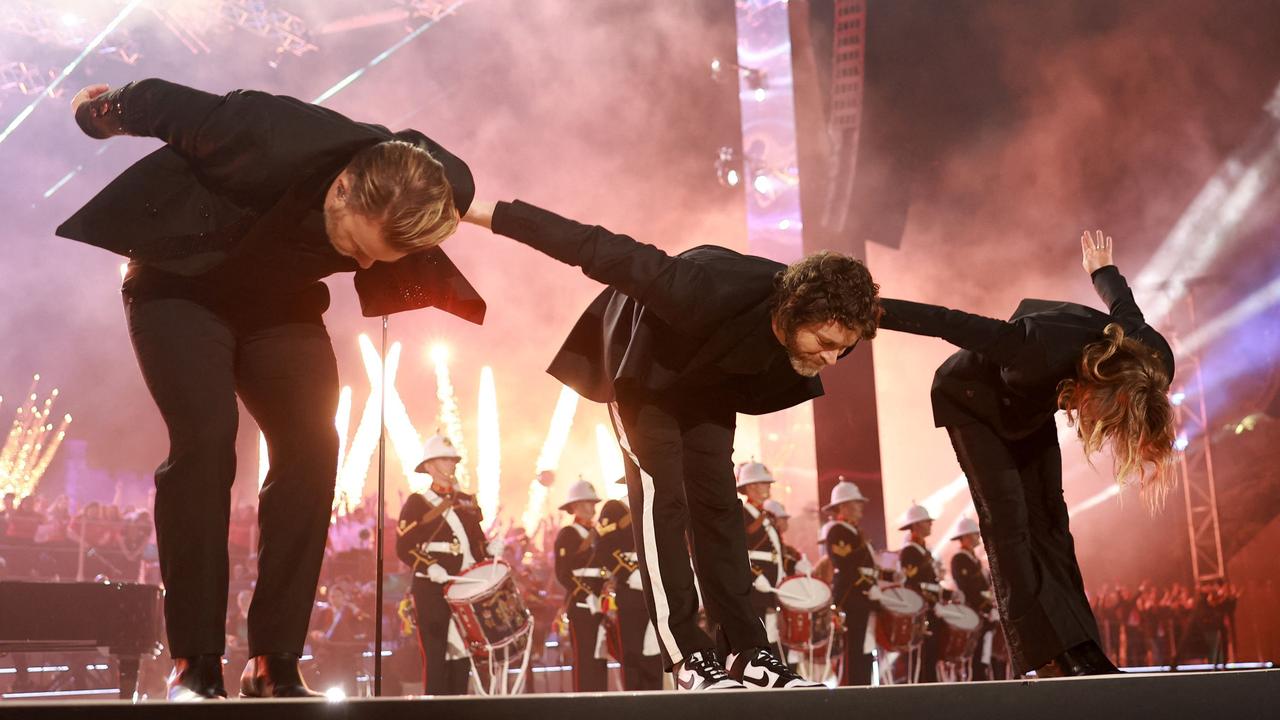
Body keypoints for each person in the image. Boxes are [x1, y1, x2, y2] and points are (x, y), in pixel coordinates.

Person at [59, 78, 483, 701]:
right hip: (180, 282)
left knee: (314, 448)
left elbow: (459, 184)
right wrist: (94, 114)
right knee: (206, 443)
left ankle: (274, 662)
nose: (361, 268)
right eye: (356, 248)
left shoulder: (431, 181)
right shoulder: (262, 132)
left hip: (279, 305)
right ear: (341, 188)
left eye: (375, 261)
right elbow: (152, 99)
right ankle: (195, 663)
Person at [460, 198, 879, 690]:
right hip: (644, 372)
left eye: (843, 349)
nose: (832, 360)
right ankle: (687, 655)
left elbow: (930, 318)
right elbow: (592, 246)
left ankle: (750, 653)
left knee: (720, 507)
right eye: (825, 344)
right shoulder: (695, 287)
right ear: (792, 313)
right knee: (667, 499)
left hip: (707, 384)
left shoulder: (829, 311)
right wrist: (477, 209)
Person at [878, 230, 1176, 677]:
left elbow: (1125, 309)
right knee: (1009, 523)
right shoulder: (1036, 346)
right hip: (972, 400)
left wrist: (1103, 270)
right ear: (1098, 383)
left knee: (1052, 520)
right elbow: (946, 320)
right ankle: (1039, 656)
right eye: (1090, 410)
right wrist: (871, 311)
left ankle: (1083, 648)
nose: (1081, 418)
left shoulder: (1151, 359)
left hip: (1030, 408)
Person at [396, 435, 498, 695]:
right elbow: (403, 547)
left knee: (464, 652)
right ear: (429, 467)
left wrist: (489, 549)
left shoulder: (466, 500)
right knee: (436, 653)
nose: (451, 463)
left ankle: (459, 708)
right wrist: (429, 566)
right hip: (432, 587)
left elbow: (477, 541)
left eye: (453, 459)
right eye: (444, 459)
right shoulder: (417, 503)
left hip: (465, 585)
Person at [596, 492, 664, 690]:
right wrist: (630, 574)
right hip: (631, 591)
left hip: (658, 586)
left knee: (656, 654)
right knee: (632, 655)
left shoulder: (660, 503)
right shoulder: (615, 508)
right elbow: (603, 548)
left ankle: (656, 703)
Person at [820, 480, 880, 686]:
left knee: (864, 649)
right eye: (856, 503)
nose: (861, 507)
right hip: (850, 599)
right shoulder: (836, 531)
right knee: (852, 650)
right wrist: (867, 585)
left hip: (863, 599)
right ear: (843, 506)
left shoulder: (856, 532)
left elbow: (868, 566)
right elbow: (844, 565)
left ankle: (864, 688)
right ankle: (854, 693)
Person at [554, 480, 609, 691]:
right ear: (574, 506)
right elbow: (562, 573)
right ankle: (584, 703)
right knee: (585, 656)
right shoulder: (567, 534)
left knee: (600, 655)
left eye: (593, 503)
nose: (592, 507)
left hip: (602, 603)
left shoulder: (601, 533)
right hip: (582, 604)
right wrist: (585, 594)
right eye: (586, 503)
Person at [736, 462, 787, 659]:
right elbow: (741, 551)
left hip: (773, 582)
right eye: (764, 483)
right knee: (758, 632)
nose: (769, 487)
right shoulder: (741, 512)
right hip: (757, 583)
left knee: (771, 634)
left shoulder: (765, 515)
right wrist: (755, 576)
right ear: (751, 486)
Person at [896, 503, 942, 683]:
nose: (930, 524)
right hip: (922, 611)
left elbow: (930, 583)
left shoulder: (924, 551)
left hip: (931, 608)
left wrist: (945, 596)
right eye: (926, 522)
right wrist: (932, 601)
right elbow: (914, 584)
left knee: (931, 656)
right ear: (915, 525)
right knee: (921, 658)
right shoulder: (909, 551)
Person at [949, 517, 997, 680]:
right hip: (974, 612)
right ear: (967, 536)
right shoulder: (960, 559)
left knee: (985, 652)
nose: (978, 537)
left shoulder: (974, 559)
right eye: (975, 534)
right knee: (975, 654)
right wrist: (985, 608)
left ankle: (982, 676)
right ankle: (976, 680)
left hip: (983, 612)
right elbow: (968, 589)